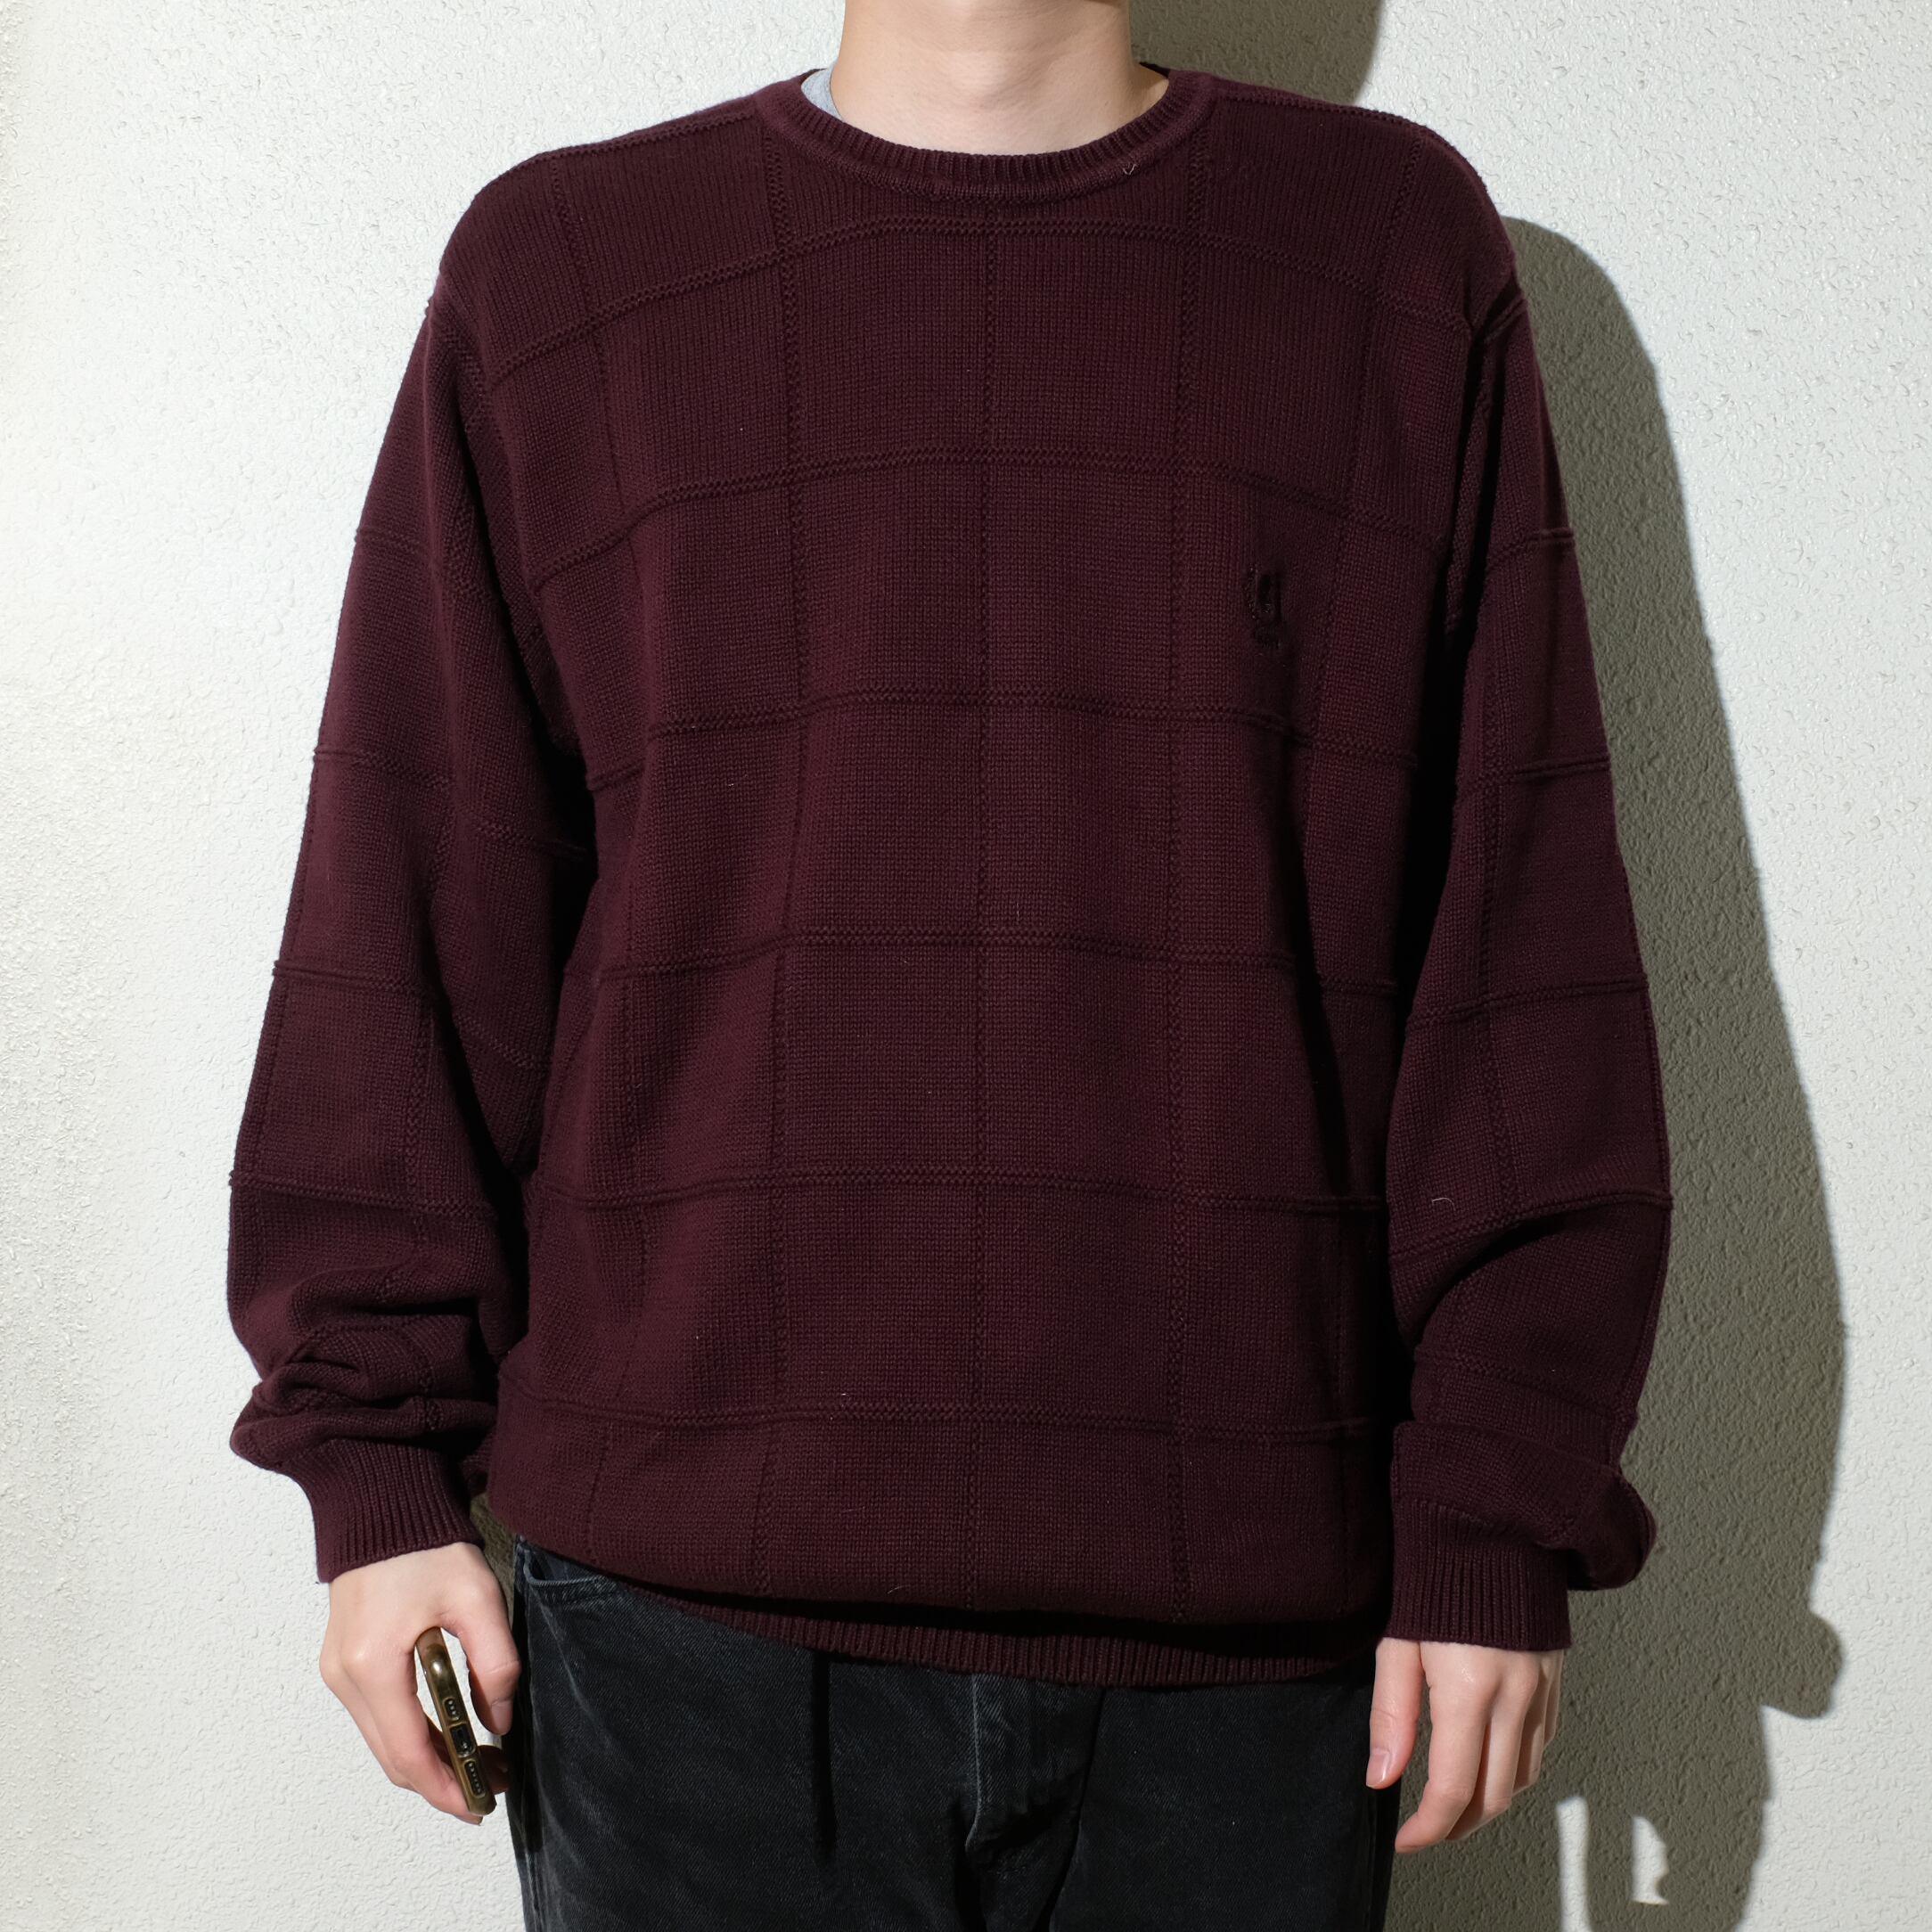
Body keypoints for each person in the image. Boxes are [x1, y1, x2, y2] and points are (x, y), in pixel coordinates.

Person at [223, 4, 1674, 1926]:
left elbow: (1517, 934)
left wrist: (1497, 1505)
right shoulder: (565, 269)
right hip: (678, 1656)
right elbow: (414, 902)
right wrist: (374, 1473)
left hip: (1250, 1666)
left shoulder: (1386, 254)